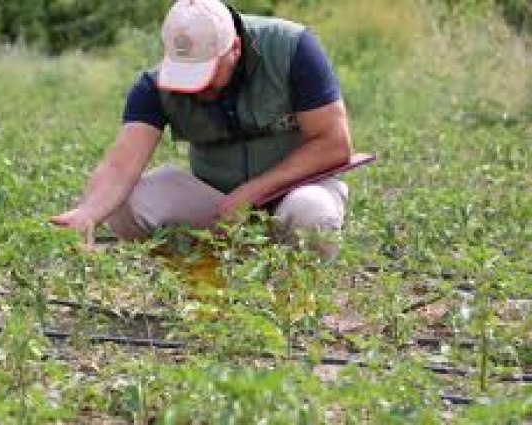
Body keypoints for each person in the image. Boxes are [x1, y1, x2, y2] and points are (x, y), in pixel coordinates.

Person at [51, 0, 353, 259]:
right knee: (123, 204)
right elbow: (120, 166)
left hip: (295, 193)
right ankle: (203, 278)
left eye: (206, 73)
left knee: (312, 212)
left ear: (233, 48)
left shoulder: (292, 48)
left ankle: (294, 304)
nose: (197, 87)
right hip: (217, 205)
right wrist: (87, 213)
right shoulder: (154, 86)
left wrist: (254, 191)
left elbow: (333, 145)